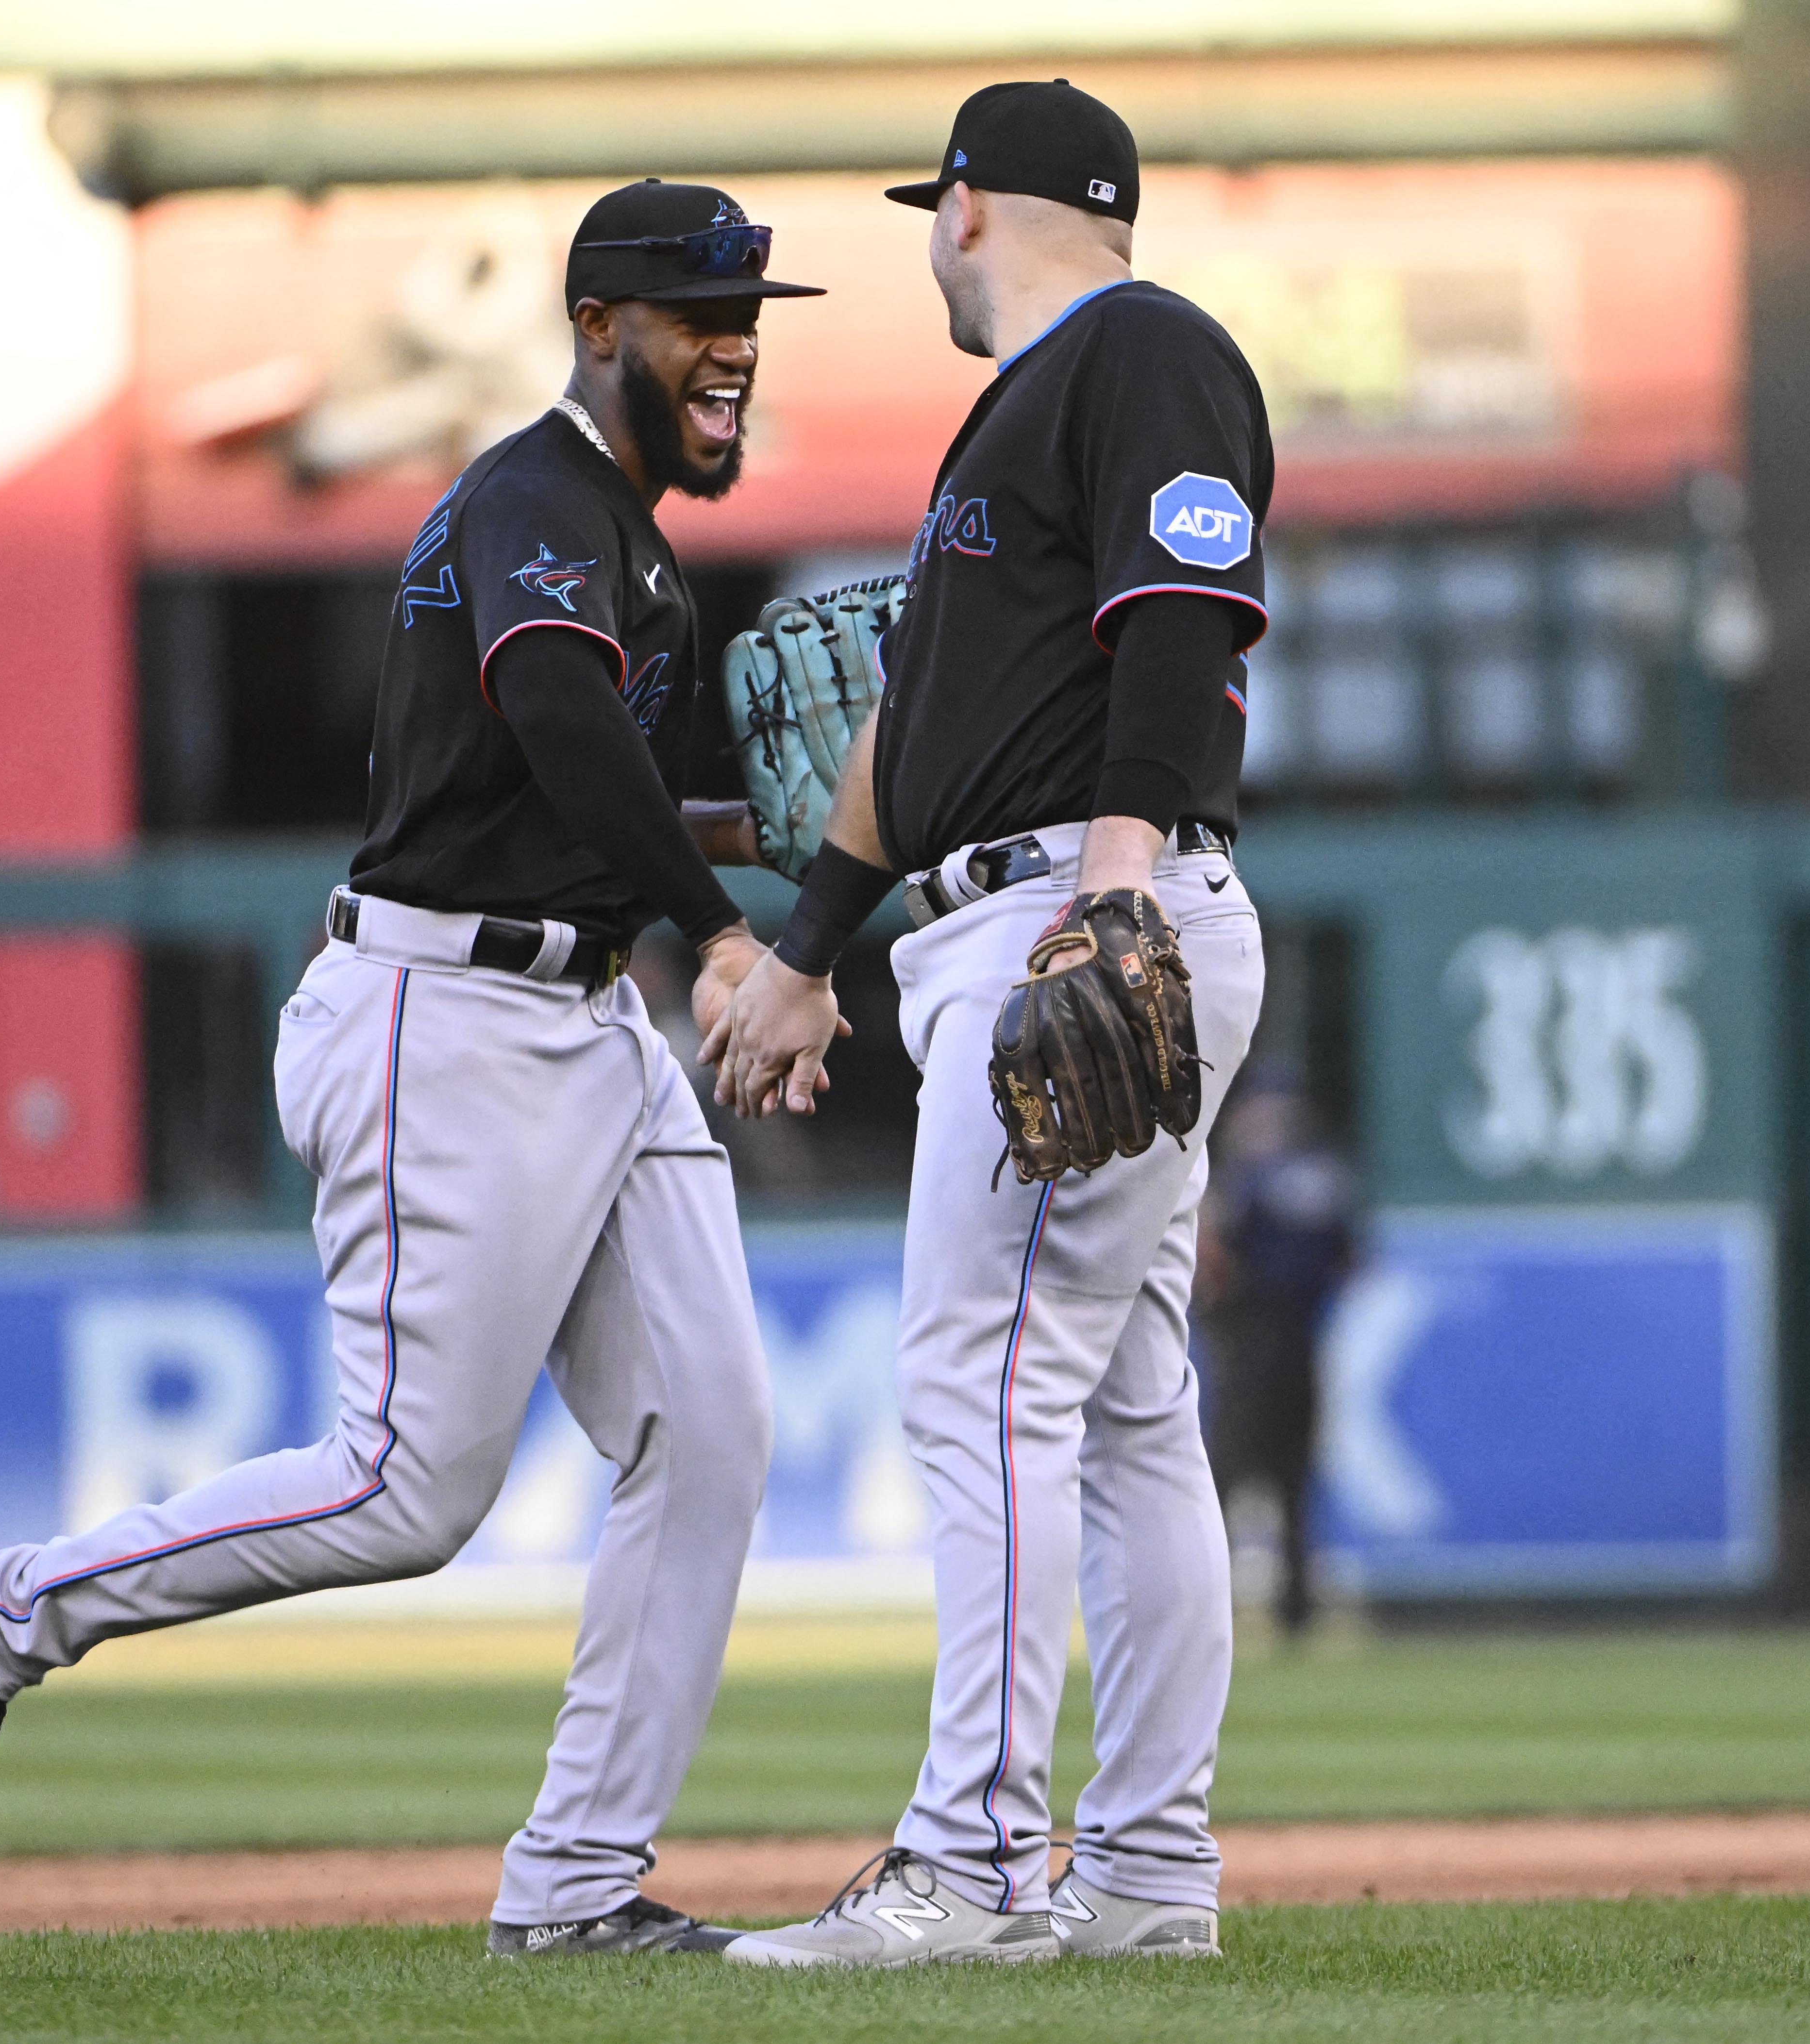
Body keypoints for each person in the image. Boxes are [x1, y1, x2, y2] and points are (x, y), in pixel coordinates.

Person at [0, 181, 823, 1960]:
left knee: (710, 1432)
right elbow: (552, 716)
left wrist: (777, 832)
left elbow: (575, 791)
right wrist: (719, 927)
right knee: (405, 1490)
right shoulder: (534, 496)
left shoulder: (626, 542)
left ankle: (571, 1889)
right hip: (443, 1017)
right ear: (599, 327)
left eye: (753, 314)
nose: (739, 347)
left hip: (583, 1018)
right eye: (703, 314)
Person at [706, 81, 1274, 1965]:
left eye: (926, 213)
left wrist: (1112, 883)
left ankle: (970, 1857)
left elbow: (1187, 609)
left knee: (989, 1372)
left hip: (1076, 904)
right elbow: (901, 743)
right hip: (1007, 902)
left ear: (964, 205)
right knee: (1118, 1402)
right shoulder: (1011, 416)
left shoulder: (1144, 348)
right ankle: (1145, 1869)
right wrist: (805, 947)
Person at [1196, 1076, 1360, 1639]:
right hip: (1301, 1342)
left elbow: (1212, 1260)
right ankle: (1296, 1609)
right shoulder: (1326, 1178)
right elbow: (1352, 1261)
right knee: (1292, 1482)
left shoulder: (1245, 1181)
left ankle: (1200, 1603)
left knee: (1221, 1479)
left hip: (1249, 1342)